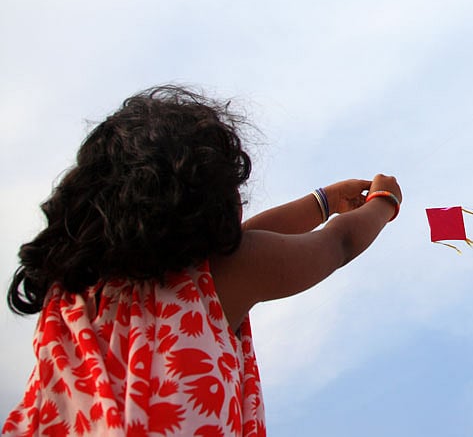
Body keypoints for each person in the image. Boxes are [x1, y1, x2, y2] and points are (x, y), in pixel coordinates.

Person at [3, 86, 401, 436]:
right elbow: (340, 244)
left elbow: (239, 247)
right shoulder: (217, 281)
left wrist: (325, 202)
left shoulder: (76, 290)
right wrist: (384, 203)